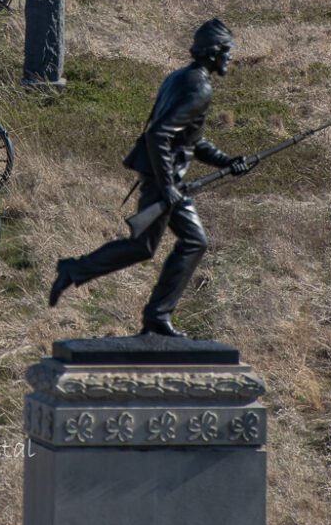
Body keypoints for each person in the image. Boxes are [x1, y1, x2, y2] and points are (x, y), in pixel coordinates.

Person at [49, 18, 250, 336]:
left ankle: (81, 273)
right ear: (213, 52)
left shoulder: (180, 77)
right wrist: (168, 184)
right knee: (192, 242)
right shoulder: (200, 87)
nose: (230, 58)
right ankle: (155, 315)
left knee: (144, 245)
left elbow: (190, 140)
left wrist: (229, 161)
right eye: (228, 51)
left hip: (160, 172)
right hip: (163, 177)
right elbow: (159, 133)